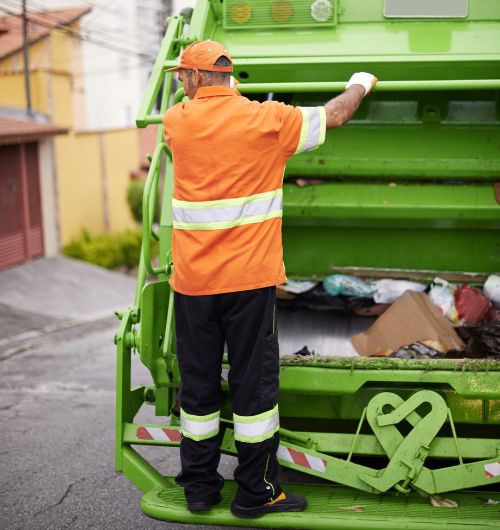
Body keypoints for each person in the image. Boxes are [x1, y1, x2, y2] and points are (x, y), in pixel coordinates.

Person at [162, 39, 377, 519]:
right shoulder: (268, 121)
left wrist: (209, 89)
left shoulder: (175, 125)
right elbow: (335, 115)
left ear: (196, 79)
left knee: (197, 389)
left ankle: (198, 489)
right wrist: (360, 84)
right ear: (227, 76)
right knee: (253, 390)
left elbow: (192, 107)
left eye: (183, 76)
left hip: (193, 285)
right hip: (247, 282)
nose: (180, 82)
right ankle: (255, 493)